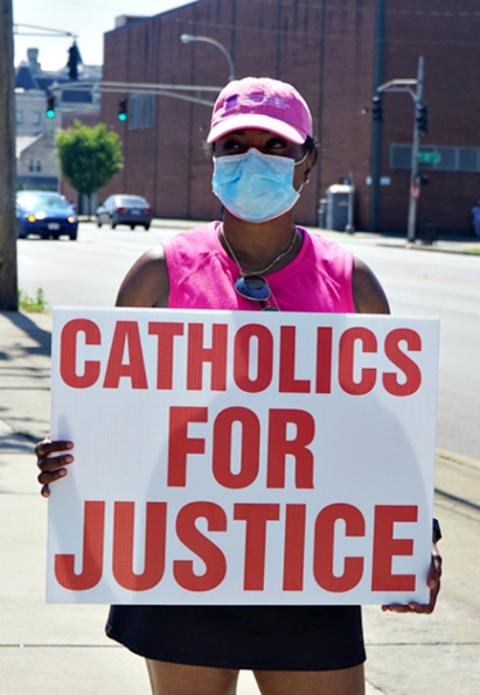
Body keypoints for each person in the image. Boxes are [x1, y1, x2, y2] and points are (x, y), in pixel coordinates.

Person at [35, 76, 442, 695]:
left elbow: (387, 432)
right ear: (213, 160)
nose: (254, 161)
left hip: (309, 568)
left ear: (307, 161)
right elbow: (109, 417)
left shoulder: (351, 283)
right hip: (183, 567)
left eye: (274, 148)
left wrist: (416, 536)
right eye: (235, 146)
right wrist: (69, 460)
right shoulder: (157, 276)